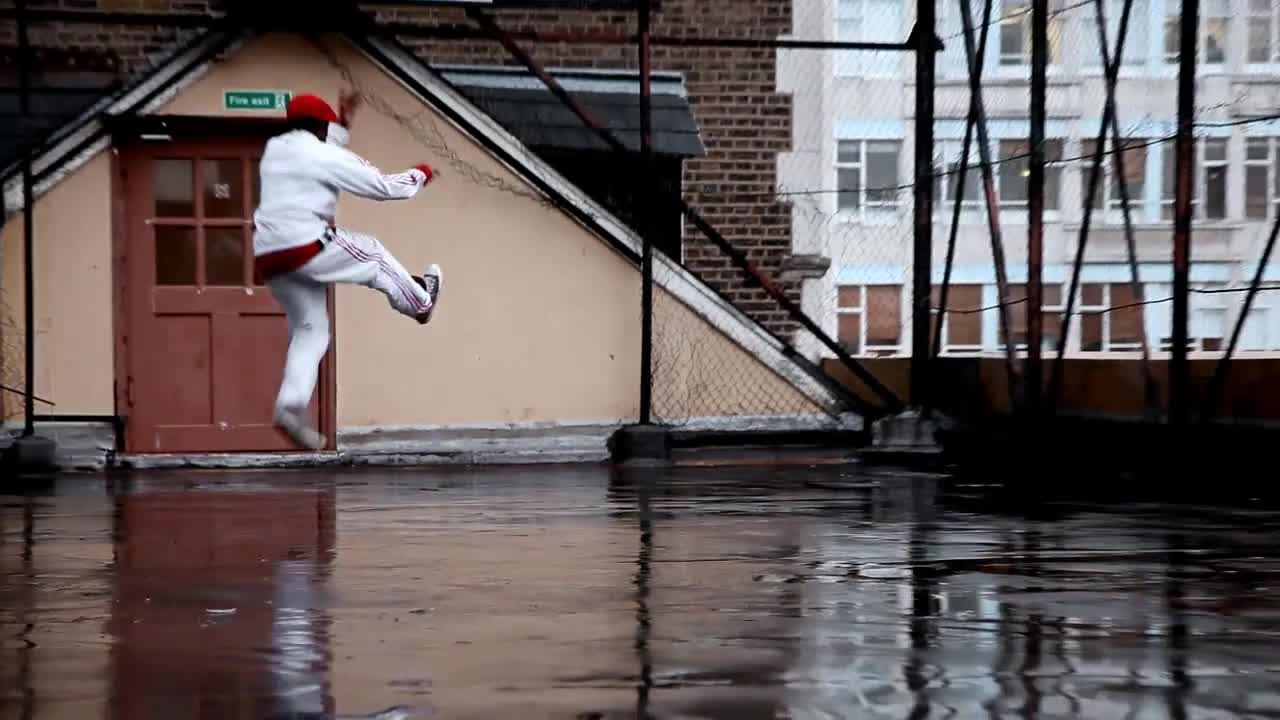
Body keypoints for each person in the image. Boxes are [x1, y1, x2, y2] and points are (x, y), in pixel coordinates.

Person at [252, 90, 442, 450]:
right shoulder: (323, 154)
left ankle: (291, 405)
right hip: (305, 245)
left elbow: (321, 151)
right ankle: (421, 302)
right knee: (373, 254)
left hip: (268, 256)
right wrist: (421, 174)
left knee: (311, 330)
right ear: (319, 127)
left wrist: (340, 124)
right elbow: (383, 186)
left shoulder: (276, 150)